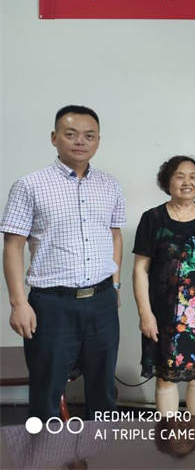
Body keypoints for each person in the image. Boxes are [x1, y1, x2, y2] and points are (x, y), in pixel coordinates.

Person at [1, 105, 125, 420]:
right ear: (54, 138)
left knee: (103, 393)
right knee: (46, 395)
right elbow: (13, 246)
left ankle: (101, 449)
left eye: (89, 136)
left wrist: (115, 286)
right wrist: (18, 303)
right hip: (52, 305)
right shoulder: (29, 185)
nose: (80, 141)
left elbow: (115, 237)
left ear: (98, 141)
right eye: (71, 134)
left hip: (102, 302)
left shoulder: (110, 185)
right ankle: (46, 449)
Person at [132, 155, 195, 415]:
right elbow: (140, 269)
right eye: (180, 176)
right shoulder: (153, 219)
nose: (187, 182)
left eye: (193, 176)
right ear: (167, 182)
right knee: (167, 378)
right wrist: (145, 314)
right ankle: (168, 433)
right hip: (164, 315)